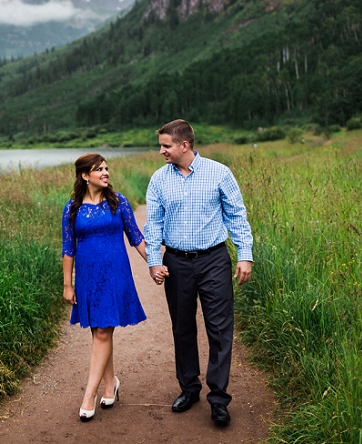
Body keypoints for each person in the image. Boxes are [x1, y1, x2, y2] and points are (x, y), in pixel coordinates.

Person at [144, 119, 253, 425]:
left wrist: (245, 255)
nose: (162, 151)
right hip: (176, 263)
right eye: (161, 146)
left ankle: (218, 398)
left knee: (219, 330)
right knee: (182, 327)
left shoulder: (220, 173)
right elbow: (153, 224)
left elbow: (237, 216)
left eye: (166, 146)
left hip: (214, 260)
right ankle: (189, 388)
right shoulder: (158, 180)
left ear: (184, 145)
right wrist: (155, 260)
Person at [62, 153, 153, 421]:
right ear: (84, 175)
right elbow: (68, 249)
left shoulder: (118, 202)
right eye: (98, 169)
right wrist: (68, 285)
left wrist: (155, 264)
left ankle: (88, 395)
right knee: (99, 331)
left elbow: (136, 238)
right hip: (89, 277)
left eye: (106, 168)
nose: (105, 173)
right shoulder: (72, 208)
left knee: (102, 331)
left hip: (115, 275)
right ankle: (110, 383)